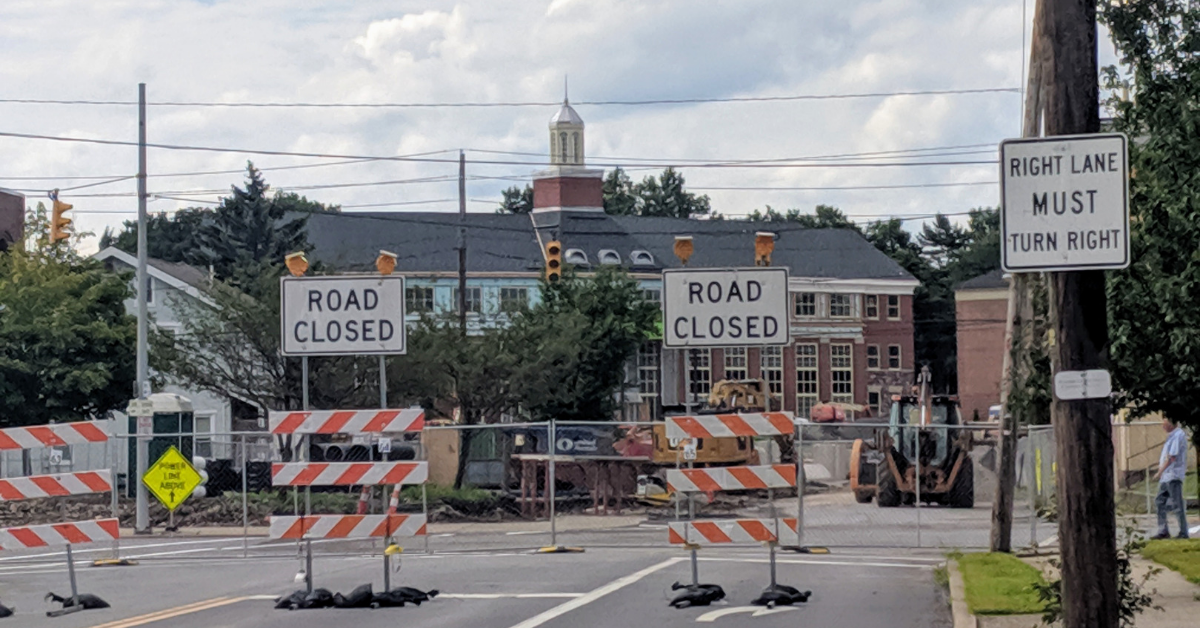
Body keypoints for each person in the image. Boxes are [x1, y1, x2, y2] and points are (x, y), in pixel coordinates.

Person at [1152, 416, 1190, 540]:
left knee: (1177, 505)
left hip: (1173, 475)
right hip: (1166, 476)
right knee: (1159, 501)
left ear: (1171, 423)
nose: (1163, 425)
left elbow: (1172, 457)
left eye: (1165, 422)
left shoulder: (1178, 436)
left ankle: (1183, 532)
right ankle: (1163, 530)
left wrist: (1159, 472)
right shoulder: (1171, 436)